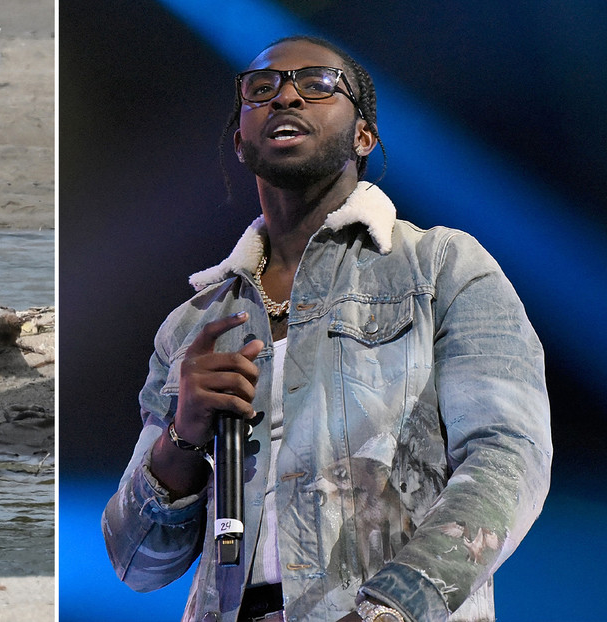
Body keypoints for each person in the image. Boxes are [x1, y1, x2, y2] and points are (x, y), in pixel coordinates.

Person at [101, 35, 551, 622]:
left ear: (362, 135)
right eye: (261, 89)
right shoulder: (192, 326)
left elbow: (508, 457)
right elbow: (138, 565)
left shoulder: (443, 268)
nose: (285, 96)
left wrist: (395, 608)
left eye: (316, 85)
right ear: (241, 139)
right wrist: (182, 433)